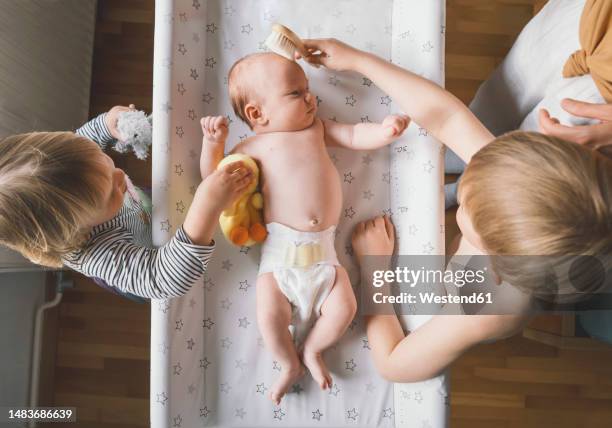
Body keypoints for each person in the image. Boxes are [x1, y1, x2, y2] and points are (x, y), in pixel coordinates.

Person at [298, 37, 612, 382]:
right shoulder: (514, 181)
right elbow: (445, 116)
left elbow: (394, 364)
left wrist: (376, 272)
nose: (465, 184)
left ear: (496, 263)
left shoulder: (488, 307)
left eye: (466, 202)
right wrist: (359, 60)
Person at [200, 52, 409, 404]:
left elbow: (354, 134)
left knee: (345, 308)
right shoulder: (251, 148)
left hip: (327, 258)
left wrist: (383, 132)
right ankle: (288, 364)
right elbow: (214, 179)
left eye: (307, 89)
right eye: (296, 94)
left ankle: (313, 350)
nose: (311, 98)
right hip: (280, 260)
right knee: (270, 318)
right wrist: (213, 144)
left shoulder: (317, 129)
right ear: (256, 113)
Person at [0, 106, 253, 299]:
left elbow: (94, 133)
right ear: (73, 228)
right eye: (109, 191)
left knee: (127, 192)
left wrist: (114, 122)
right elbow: (163, 278)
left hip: (141, 209)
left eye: (106, 163)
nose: (121, 175)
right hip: (145, 258)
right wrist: (206, 208)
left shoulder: (76, 165)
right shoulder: (96, 253)